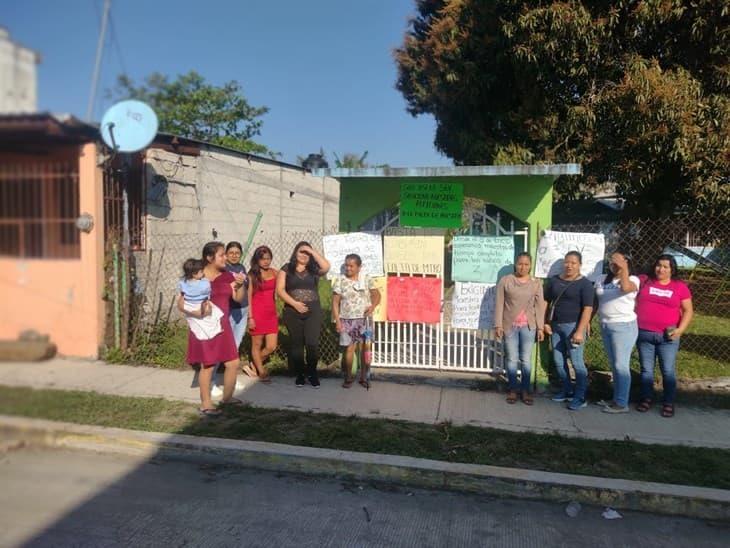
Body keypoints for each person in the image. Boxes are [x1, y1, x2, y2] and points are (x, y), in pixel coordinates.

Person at [178, 241, 246, 416]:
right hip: (204, 327)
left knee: (233, 362)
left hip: (223, 325)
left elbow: (238, 299)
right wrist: (197, 312)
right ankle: (206, 404)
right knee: (208, 365)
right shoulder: (196, 277)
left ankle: (227, 398)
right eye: (222, 254)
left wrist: (239, 286)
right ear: (209, 257)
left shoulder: (229, 276)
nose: (226, 257)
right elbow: (181, 303)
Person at [635, 254, 693, 418]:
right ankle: (646, 398)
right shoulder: (645, 280)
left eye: (666, 266)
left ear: (672, 269)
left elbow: (688, 310)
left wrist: (680, 330)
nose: (661, 269)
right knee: (646, 370)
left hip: (668, 337)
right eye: (658, 265)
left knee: (667, 370)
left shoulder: (679, 286)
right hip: (644, 334)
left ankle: (668, 402)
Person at [543, 251, 594, 410]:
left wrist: (580, 331)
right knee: (559, 361)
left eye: (573, 263)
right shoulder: (554, 281)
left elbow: (588, 309)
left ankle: (580, 396)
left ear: (580, 265)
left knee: (577, 363)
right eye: (567, 262)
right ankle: (567, 390)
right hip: (556, 327)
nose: (569, 265)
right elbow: (547, 302)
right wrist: (546, 322)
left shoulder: (585, 284)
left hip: (574, 327)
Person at [276, 241, 330, 388]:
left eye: (307, 253)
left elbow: (326, 266)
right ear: (295, 253)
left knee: (312, 343)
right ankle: (300, 374)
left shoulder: (314, 269)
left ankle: (312, 373)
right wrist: (295, 304)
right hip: (292, 311)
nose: (304, 255)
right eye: (301, 252)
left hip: (313, 311)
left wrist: (312, 252)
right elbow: (280, 290)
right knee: (297, 344)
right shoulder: (286, 268)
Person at [494, 252, 545, 405]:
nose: (523, 267)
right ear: (515, 264)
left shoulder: (536, 283)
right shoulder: (506, 281)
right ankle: (512, 389)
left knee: (526, 360)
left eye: (526, 264)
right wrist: (498, 324)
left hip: (529, 327)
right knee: (511, 359)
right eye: (520, 264)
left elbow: (539, 306)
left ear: (530, 265)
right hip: (510, 326)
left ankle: (525, 390)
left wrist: (541, 327)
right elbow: (499, 303)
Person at [595, 251, 640, 414]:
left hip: (624, 327)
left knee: (621, 365)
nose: (613, 264)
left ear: (627, 261)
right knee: (614, 364)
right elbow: (596, 301)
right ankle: (616, 398)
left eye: (616, 262)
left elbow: (626, 288)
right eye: (611, 262)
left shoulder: (633, 279)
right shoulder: (601, 279)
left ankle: (622, 403)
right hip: (606, 325)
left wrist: (623, 267)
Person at [332, 254, 381, 389]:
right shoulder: (340, 281)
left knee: (366, 348)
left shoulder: (366, 279)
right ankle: (348, 376)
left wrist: (373, 306)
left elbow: (377, 295)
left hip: (364, 320)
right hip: (347, 320)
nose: (348, 268)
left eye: (351, 266)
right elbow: (335, 303)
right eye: (346, 265)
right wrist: (337, 320)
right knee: (349, 348)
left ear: (359, 267)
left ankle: (364, 376)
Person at [247, 245, 278, 383]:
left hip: (271, 314)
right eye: (263, 259)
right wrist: (250, 317)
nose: (266, 261)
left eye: (268, 258)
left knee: (271, 346)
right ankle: (261, 371)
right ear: (257, 259)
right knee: (257, 345)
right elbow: (248, 298)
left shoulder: (274, 272)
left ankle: (253, 364)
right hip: (257, 314)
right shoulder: (251, 275)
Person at [178, 258, 222, 340]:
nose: (203, 273)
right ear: (194, 274)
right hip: (200, 303)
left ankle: (205, 333)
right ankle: (214, 331)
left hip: (188, 304)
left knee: (198, 321)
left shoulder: (183, 282)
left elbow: (182, 292)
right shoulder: (204, 284)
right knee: (212, 316)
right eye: (201, 272)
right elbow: (208, 290)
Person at [224, 241, 250, 369]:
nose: (234, 256)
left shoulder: (241, 267)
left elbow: (247, 287)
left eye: (237, 253)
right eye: (231, 253)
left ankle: (230, 377)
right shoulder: (223, 269)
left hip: (243, 309)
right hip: (230, 310)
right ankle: (211, 378)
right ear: (226, 254)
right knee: (226, 344)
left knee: (236, 343)